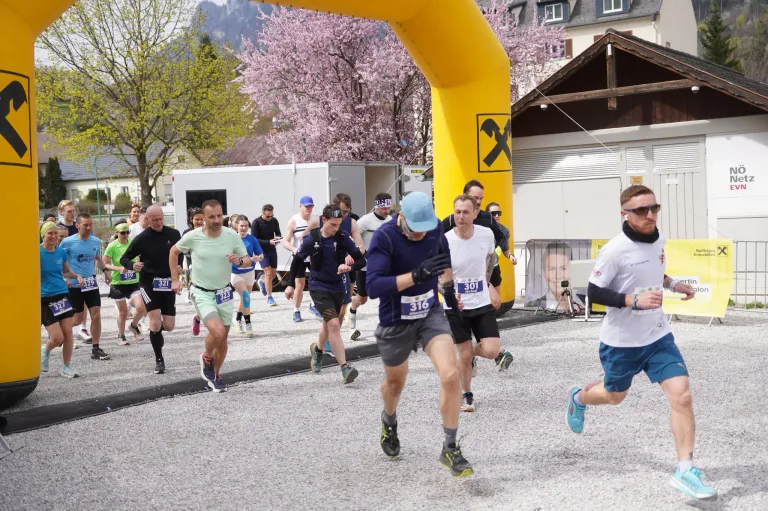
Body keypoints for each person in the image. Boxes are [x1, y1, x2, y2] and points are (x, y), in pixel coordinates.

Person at [565, 184, 716, 499]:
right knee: (613, 396)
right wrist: (632, 300)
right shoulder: (615, 249)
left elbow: (655, 272)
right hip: (622, 342)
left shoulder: (659, 237)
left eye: (654, 208)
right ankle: (579, 398)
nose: (650, 215)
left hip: (658, 335)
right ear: (625, 213)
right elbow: (594, 291)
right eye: (641, 210)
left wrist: (675, 284)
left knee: (682, 396)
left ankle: (685, 469)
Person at [366, 191, 473, 478]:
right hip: (395, 320)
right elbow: (373, 287)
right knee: (395, 384)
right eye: (414, 230)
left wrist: (450, 293)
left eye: (424, 230)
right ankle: (389, 421)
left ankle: (450, 447)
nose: (419, 235)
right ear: (401, 217)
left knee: (450, 375)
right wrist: (415, 275)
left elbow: (443, 261)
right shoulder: (384, 238)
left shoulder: (434, 227)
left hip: (429, 313)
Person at [170, 200, 251, 393]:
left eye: (219, 216)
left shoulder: (231, 235)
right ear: (203, 219)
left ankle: (215, 374)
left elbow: (247, 259)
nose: (216, 220)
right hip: (201, 292)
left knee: (222, 341)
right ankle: (207, 356)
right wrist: (175, 279)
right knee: (218, 332)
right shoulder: (193, 237)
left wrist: (238, 260)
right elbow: (174, 252)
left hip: (224, 293)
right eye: (211, 217)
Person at [444, 195, 513, 413]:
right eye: (457, 212)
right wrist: (449, 295)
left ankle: (466, 353)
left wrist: (486, 281)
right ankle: (467, 395)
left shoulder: (486, 234)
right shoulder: (445, 241)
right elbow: (439, 277)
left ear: (475, 214)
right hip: (457, 306)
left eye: (465, 212)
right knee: (464, 354)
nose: (460, 216)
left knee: (492, 351)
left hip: (481, 302)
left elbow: (490, 260)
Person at [300, 204, 366, 384]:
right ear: (323, 220)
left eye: (339, 224)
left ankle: (317, 351)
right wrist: (291, 285)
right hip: (318, 287)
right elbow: (297, 260)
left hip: (338, 286)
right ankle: (345, 368)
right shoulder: (311, 239)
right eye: (333, 224)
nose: (336, 228)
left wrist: (349, 266)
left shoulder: (343, 238)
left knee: (328, 324)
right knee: (335, 324)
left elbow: (361, 260)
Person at [120, 205, 182, 374]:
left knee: (168, 326)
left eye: (160, 219)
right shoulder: (142, 238)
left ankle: (156, 333)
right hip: (149, 283)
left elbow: (180, 252)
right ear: (147, 219)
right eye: (154, 220)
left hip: (168, 282)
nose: (157, 222)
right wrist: (133, 265)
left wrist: (179, 266)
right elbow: (124, 258)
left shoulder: (173, 234)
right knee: (155, 323)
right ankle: (159, 360)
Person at [60, 213, 110, 361]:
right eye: (85, 225)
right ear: (77, 225)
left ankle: (96, 348)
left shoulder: (95, 242)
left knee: (96, 314)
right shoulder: (67, 242)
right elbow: (59, 261)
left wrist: (105, 271)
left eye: (90, 225)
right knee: (76, 319)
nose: (89, 228)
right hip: (74, 285)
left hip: (90, 283)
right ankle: (58, 335)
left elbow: (98, 259)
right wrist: (64, 278)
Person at [40, 222, 83, 378]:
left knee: (68, 333)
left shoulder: (61, 252)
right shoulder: (36, 252)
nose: (53, 236)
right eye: (49, 233)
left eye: (55, 233)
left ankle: (66, 367)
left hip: (62, 295)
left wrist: (76, 275)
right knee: (57, 338)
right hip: (45, 297)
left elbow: (65, 271)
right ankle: (45, 350)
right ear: (43, 234)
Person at [347, 192, 393, 341]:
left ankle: (387, 326)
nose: (387, 211)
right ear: (377, 207)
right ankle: (352, 310)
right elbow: (351, 237)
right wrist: (360, 251)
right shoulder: (365, 221)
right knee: (362, 298)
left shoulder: (391, 220)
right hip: (366, 266)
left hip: (385, 265)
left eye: (389, 208)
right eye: (384, 208)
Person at [103, 223, 146, 345]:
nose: (126, 235)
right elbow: (104, 263)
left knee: (141, 307)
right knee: (123, 313)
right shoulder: (112, 246)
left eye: (127, 232)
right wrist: (118, 269)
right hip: (118, 283)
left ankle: (133, 326)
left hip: (133, 282)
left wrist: (138, 264)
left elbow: (140, 257)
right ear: (117, 233)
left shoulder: (132, 242)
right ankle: (121, 336)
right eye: (122, 233)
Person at [282, 196, 321, 322]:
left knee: (318, 282)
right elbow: (285, 241)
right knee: (299, 284)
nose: (308, 209)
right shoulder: (294, 221)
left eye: (310, 206)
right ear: (300, 206)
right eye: (306, 206)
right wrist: (294, 250)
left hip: (314, 256)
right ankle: (296, 310)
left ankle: (314, 305)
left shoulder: (317, 219)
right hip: (300, 256)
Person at [441, 180, 503, 248]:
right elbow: (437, 238)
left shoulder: (488, 218)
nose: (479, 202)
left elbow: (499, 237)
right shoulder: (452, 220)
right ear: (465, 196)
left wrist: (486, 249)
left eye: (481, 198)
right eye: (475, 198)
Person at [232, 215, 264, 336]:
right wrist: (244, 259)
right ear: (237, 226)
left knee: (245, 298)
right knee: (245, 296)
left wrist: (258, 258)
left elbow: (261, 254)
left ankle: (237, 319)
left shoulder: (252, 239)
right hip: (235, 272)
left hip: (250, 272)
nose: (244, 228)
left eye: (246, 226)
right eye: (241, 225)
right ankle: (248, 323)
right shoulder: (232, 239)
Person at [251, 204, 282, 306]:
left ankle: (262, 282)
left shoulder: (274, 220)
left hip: (272, 249)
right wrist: (269, 242)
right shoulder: (256, 222)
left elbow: (278, 233)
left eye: (271, 216)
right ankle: (270, 298)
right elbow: (254, 240)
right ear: (263, 213)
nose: (270, 218)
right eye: (268, 216)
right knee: (268, 273)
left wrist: (278, 238)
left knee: (273, 274)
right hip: (261, 250)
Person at [485, 202, 517, 294]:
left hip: (494, 268)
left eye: (499, 213)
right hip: (481, 269)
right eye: (493, 213)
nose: (496, 216)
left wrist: (511, 256)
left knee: (496, 301)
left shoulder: (504, 230)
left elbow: (505, 249)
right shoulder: (482, 229)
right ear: (487, 215)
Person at [183, 207, 205, 335]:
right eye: (197, 219)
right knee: (201, 296)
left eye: (202, 219)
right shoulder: (187, 233)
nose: (200, 221)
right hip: (193, 266)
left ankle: (198, 317)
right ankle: (198, 317)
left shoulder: (209, 231)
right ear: (191, 220)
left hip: (209, 266)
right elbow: (183, 250)